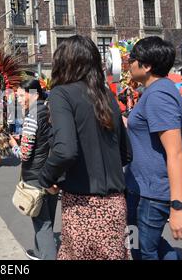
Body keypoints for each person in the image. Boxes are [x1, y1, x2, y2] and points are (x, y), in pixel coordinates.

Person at [38, 35, 132, 260]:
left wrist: (46, 178)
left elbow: (65, 150)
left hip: (81, 206)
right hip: (115, 206)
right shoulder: (107, 95)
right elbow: (126, 153)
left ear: (64, 62)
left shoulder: (62, 94)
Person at [125, 36, 182, 260]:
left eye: (132, 59)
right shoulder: (155, 91)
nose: (129, 63)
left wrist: (177, 206)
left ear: (147, 65)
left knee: (144, 251)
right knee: (138, 243)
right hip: (142, 188)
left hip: (152, 194)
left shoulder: (159, 95)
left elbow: (175, 152)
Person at [8, 79, 57, 260]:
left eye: (21, 95)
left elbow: (25, 154)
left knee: (42, 223)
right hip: (51, 172)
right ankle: (38, 253)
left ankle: (47, 256)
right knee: (47, 219)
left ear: (33, 93)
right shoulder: (47, 110)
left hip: (36, 175)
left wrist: (13, 144)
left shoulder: (32, 116)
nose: (19, 99)